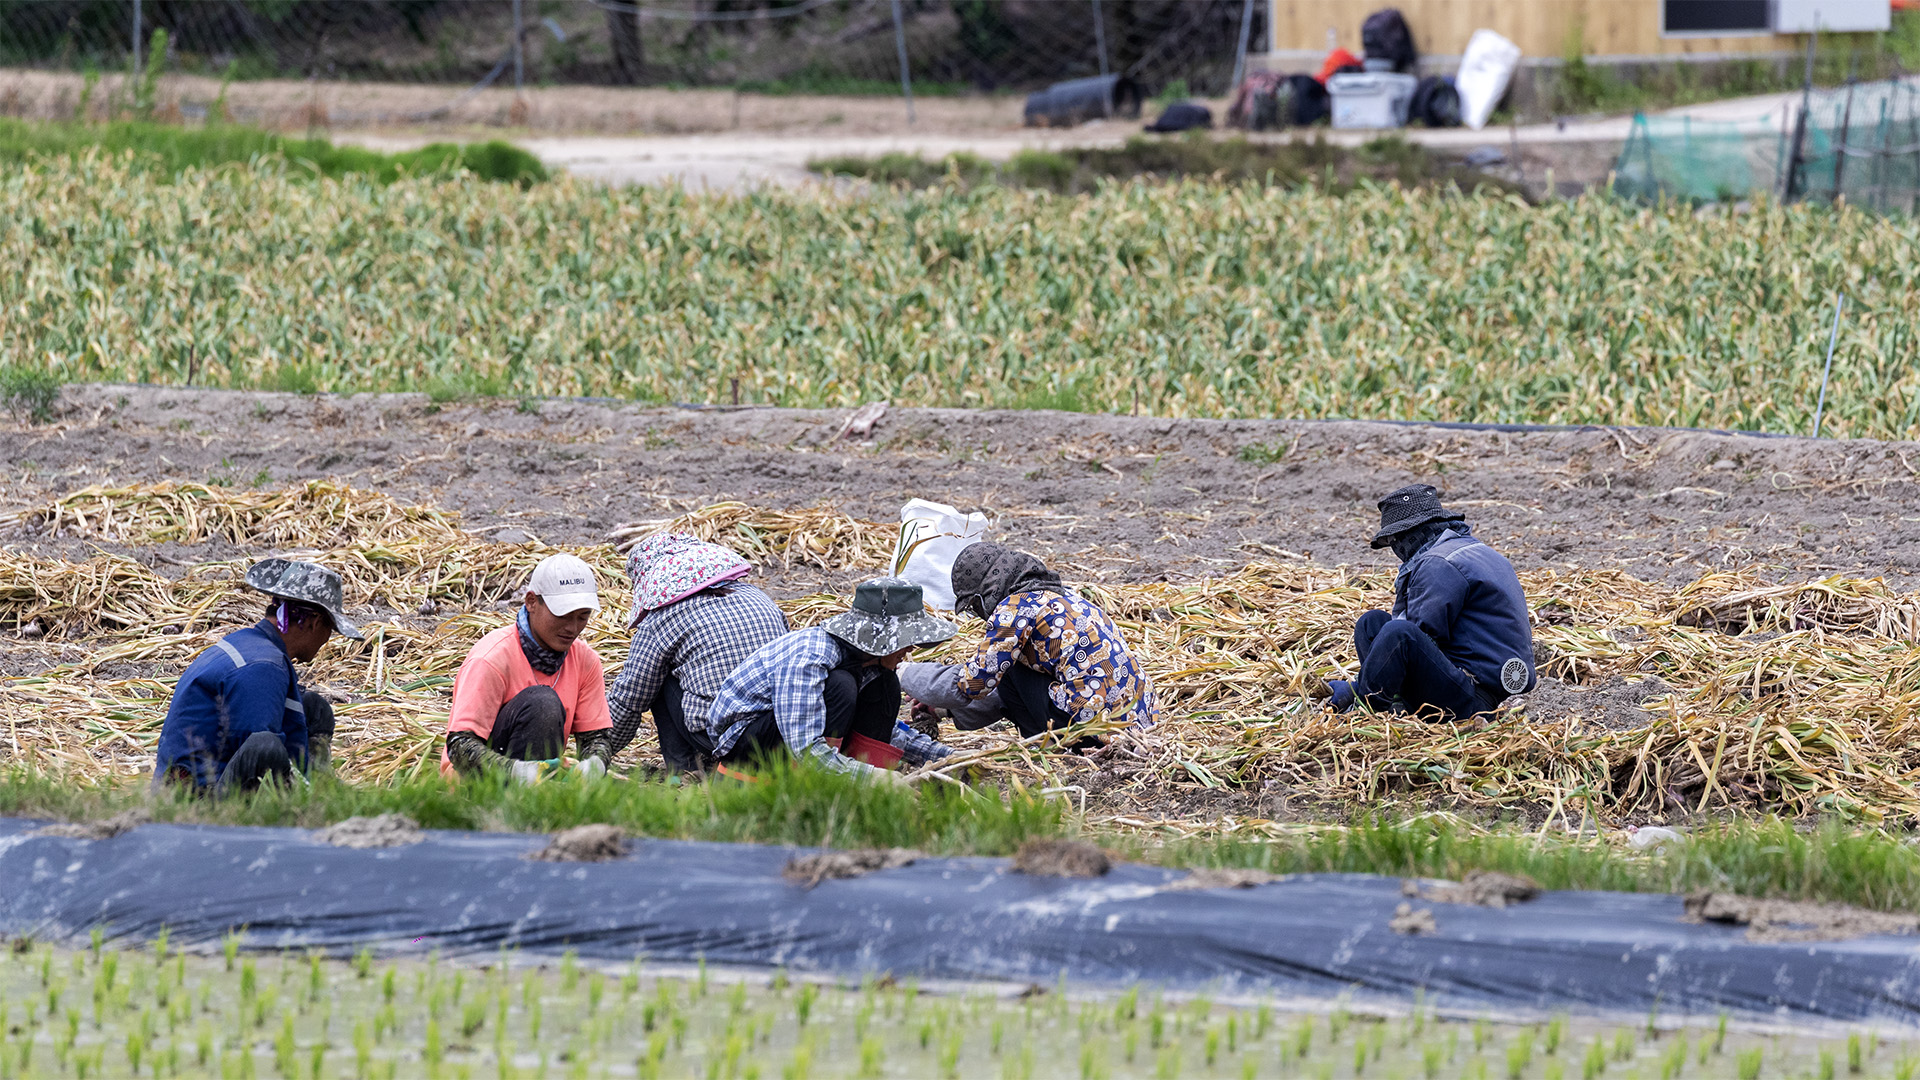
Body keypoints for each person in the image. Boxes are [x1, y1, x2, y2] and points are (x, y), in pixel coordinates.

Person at [702, 577, 956, 781]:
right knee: (841, 687)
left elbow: (890, 732)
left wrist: (948, 757)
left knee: (885, 686)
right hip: (745, 743)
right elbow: (805, 749)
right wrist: (873, 778)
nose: (910, 648)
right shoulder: (810, 658)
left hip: (794, 743)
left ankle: (848, 787)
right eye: (906, 640)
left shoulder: (867, 663)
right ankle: (811, 789)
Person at [900, 543, 1157, 743]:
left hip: (1092, 727)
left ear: (986, 590)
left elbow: (973, 683)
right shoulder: (1062, 596)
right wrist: (942, 710)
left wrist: (903, 672)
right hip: (1135, 724)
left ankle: (1051, 745)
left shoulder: (1014, 609)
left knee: (1009, 669)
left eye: (974, 605)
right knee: (1010, 668)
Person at [1322, 484, 1536, 721]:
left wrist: (1356, 688)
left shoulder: (1438, 563)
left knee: (1398, 634)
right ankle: (1396, 702)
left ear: (1412, 532)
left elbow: (1420, 632)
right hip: (1484, 683)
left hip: (1474, 699)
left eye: (1396, 539)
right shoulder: (1470, 549)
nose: (1396, 548)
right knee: (1371, 624)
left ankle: (1367, 707)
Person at [152, 558, 361, 795]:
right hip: (196, 798)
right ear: (314, 623)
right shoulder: (264, 666)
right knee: (266, 747)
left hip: (212, 780)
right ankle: (314, 803)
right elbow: (262, 754)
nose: (327, 639)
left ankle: (324, 788)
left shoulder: (250, 644)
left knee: (313, 709)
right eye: (330, 629)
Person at [605, 532, 789, 773]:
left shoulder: (661, 619)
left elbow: (629, 699)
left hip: (728, 739)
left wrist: (598, 750)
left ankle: (686, 770)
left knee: (653, 676)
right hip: (786, 730)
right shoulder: (758, 596)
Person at [442, 553, 615, 782]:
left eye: (582, 617)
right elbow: (459, 745)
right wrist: (518, 772)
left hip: (539, 777)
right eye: (563, 615)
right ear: (531, 601)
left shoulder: (585, 661)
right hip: (475, 784)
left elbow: (596, 738)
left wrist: (594, 765)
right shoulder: (491, 658)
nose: (572, 628)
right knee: (542, 704)